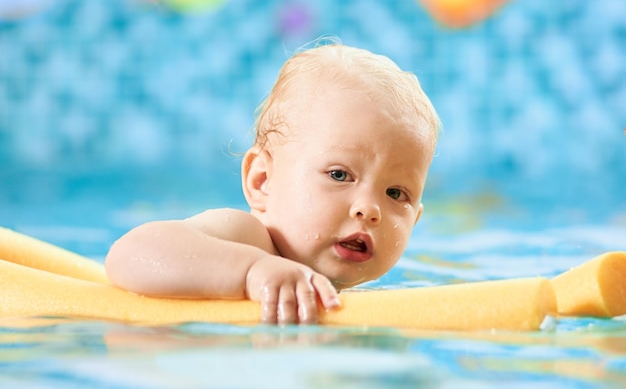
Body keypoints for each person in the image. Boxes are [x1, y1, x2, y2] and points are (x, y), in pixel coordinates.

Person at [105, 42, 441, 325]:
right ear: (263, 181)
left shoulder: (350, 294)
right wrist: (251, 272)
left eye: (396, 193)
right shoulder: (250, 241)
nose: (370, 209)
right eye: (339, 175)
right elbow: (130, 254)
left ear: (416, 219)